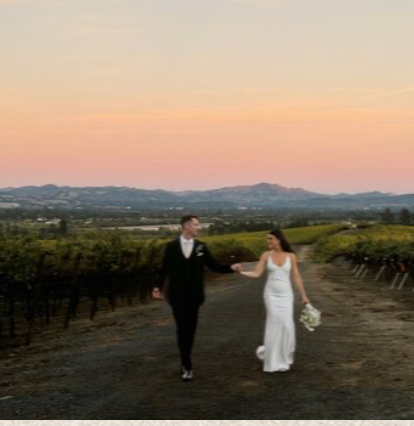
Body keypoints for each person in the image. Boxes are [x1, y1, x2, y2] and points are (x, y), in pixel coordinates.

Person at [152, 214, 242, 381]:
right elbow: (163, 268)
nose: (198, 228)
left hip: (194, 296)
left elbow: (214, 266)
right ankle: (186, 364)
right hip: (177, 296)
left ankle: (186, 358)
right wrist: (157, 286)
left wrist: (231, 268)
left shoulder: (201, 247)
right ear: (186, 226)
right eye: (196, 224)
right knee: (182, 328)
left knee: (191, 329)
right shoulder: (171, 246)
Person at [239, 228, 310, 373]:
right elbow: (257, 273)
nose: (268, 241)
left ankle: (284, 358)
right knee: (274, 324)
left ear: (278, 239)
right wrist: (242, 272)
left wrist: (303, 296)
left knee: (287, 325)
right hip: (271, 295)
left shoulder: (291, 256)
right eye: (268, 239)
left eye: (270, 238)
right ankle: (272, 361)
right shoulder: (266, 255)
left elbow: (296, 277)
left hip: (286, 296)